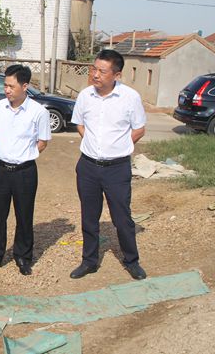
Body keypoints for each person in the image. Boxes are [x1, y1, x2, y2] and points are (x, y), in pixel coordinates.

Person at [69, 49, 147, 281]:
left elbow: (139, 129)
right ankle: (89, 261)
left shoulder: (130, 97)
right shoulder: (85, 96)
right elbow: (79, 124)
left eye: (102, 71)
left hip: (117, 169)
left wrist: (118, 147)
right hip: (88, 167)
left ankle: (131, 261)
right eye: (94, 69)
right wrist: (94, 144)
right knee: (89, 217)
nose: (95, 75)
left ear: (117, 75)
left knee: (122, 218)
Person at [0, 64, 51, 276]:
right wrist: (7, 152)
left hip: (25, 172)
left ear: (25, 86)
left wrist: (23, 155)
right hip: (0, 169)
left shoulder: (38, 112)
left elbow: (42, 142)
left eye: (11, 86)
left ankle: (23, 256)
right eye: (5, 85)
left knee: (24, 215)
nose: (7, 90)